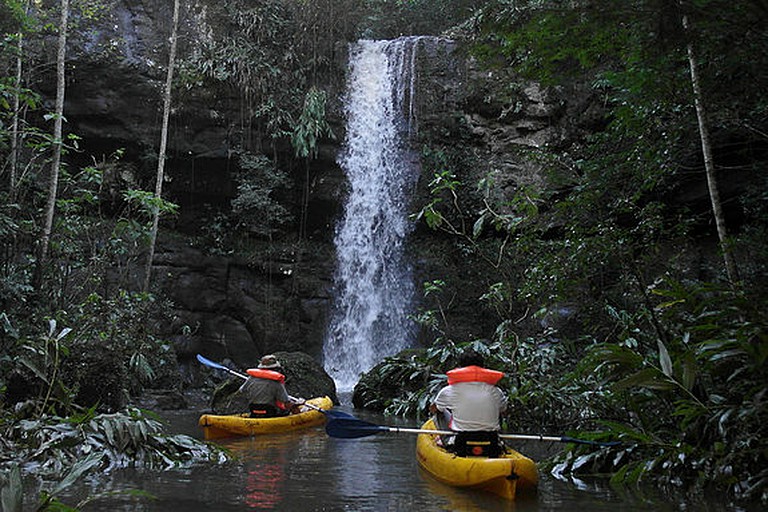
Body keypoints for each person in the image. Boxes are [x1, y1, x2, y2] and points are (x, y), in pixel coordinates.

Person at [429, 348, 507, 456]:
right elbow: (504, 410)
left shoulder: (450, 390)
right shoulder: (496, 391)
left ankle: (448, 440)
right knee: (499, 409)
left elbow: (434, 409)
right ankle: (499, 441)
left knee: (439, 411)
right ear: (483, 368)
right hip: (491, 438)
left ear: (460, 368)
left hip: (462, 439)